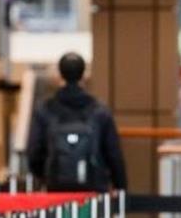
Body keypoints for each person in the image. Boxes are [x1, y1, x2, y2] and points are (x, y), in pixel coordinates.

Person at [26, 52, 127, 192]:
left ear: (60, 75)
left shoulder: (45, 110)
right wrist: (121, 186)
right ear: (84, 75)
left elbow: (34, 153)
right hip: (93, 189)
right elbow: (114, 154)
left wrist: (45, 176)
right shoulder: (99, 111)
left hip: (56, 189)